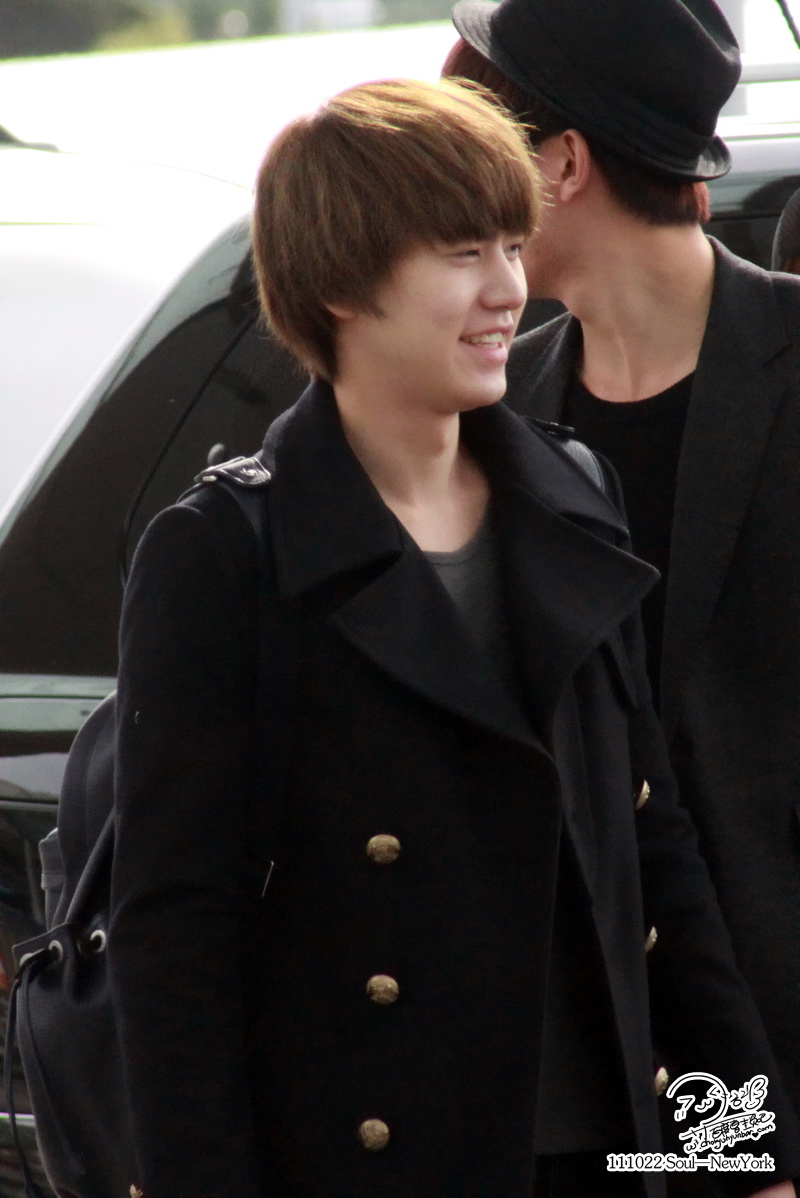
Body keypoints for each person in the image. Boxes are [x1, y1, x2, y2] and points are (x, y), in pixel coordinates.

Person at [108, 77, 798, 1198]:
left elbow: (651, 857)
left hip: (607, 1156)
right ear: (341, 284)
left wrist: (751, 1159)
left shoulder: (573, 493)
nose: (506, 290)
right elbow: (175, 934)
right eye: (461, 254)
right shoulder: (229, 551)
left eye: (512, 246)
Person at [445, 0, 800, 1133]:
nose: (454, 197)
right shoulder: (491, 410)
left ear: (561, 163)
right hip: (594, 1077)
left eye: (475, 150)